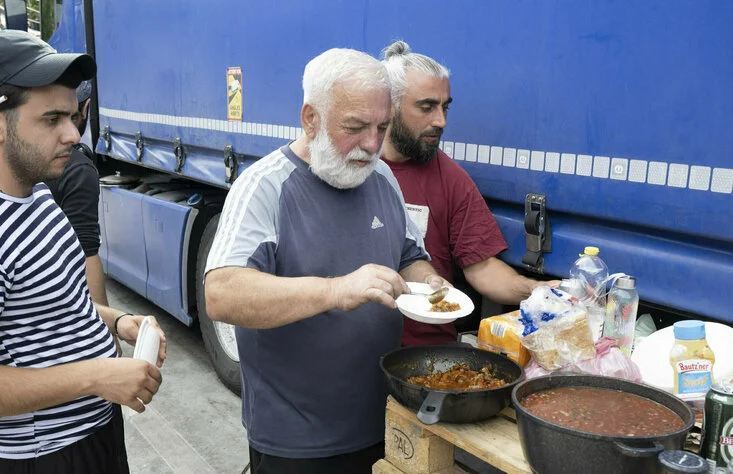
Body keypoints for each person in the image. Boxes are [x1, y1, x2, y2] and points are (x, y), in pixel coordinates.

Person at [0, 30, 166, 474]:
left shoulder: (36, 194)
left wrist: (122, 322)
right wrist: (95, 375)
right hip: (41, 457)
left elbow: (58, 304)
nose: (73, 134)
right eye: (51, 119)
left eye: (71, 115)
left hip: (94, 432)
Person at [203, 48, 447, 474]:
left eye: (382, 127)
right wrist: (335, 290)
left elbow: (410, 254)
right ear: (310, 118)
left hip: (382, 421)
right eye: (354, 128)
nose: (372, 145)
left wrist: (431, 284)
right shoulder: (264, 186)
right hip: (297, 444)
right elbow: (222, 294)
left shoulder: (382, 177)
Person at [380, 41, 559, 346]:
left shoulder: (450, 178)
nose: (441, 121)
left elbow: (483, 268)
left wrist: (539, 292)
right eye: (426, 107)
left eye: (445, 106)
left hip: (427, 356)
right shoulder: (356, 170)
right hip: (362, 351)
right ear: (389, 106)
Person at [45, 80, 107, 307]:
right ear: (86, 108)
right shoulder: (77, 170)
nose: (73, 137)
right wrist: (108, 333)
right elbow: (85, 254)